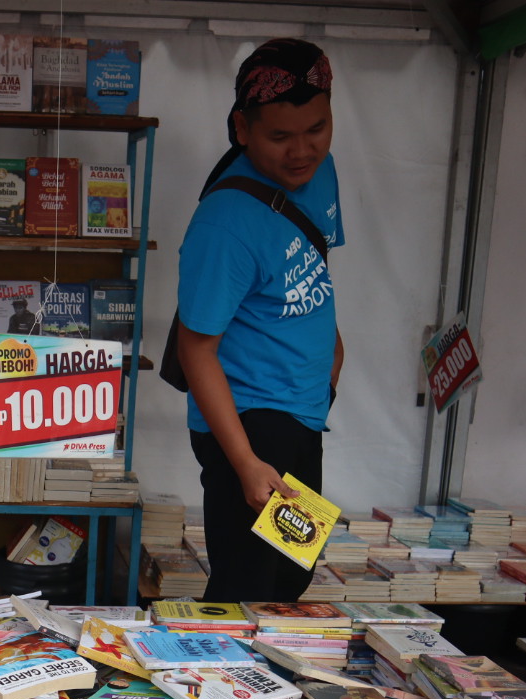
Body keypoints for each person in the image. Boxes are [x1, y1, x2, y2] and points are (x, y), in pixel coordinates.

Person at [177, 38, 345, 603]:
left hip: (304, 415)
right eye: (280, 137)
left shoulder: (320, 176)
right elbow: (194, 349)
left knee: (290, 581)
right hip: (249, 427)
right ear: (242, 129)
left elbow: (313, 273)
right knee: (245, 589)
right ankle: (216, 685)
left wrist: (329, 369)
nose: (302, 151)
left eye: (316, 129)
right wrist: (245, 461)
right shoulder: (224, 223)